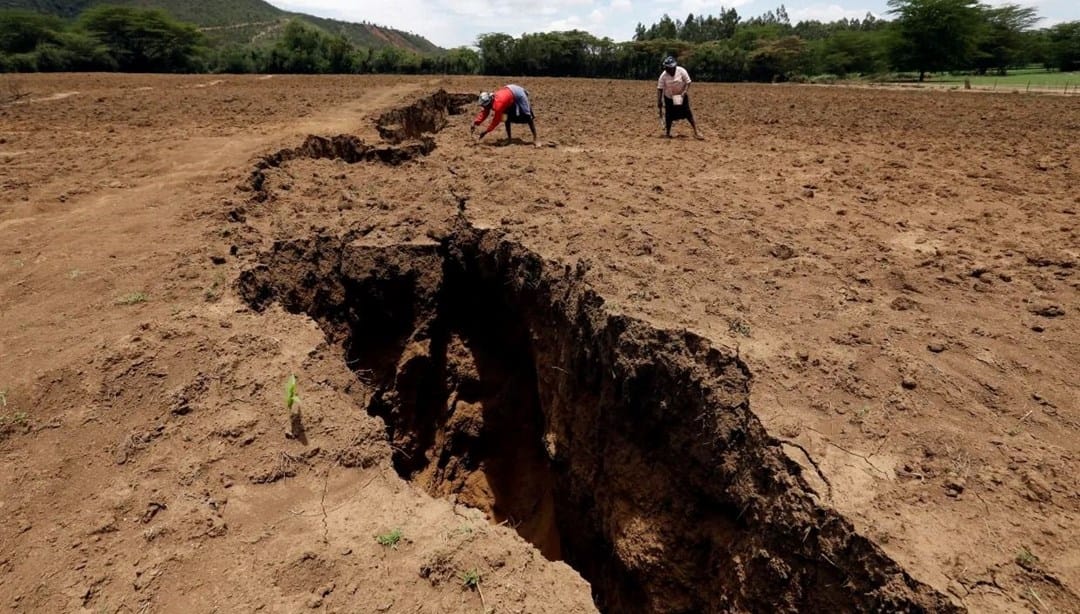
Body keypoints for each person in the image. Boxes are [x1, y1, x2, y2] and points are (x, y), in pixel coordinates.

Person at [471, 84, 540, 147]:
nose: (484, 107)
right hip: (508, 92)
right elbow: (485, 112)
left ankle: (535, 138)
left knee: (527, 116)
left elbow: (495, 121)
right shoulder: (491, 100)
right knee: (506, 117)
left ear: (489, 103)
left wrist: (485, 132)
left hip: (518, 93)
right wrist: (475, 122)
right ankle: (509, 139)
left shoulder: (498, 106)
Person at [657, 56, 703, 140]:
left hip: (681, 96)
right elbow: (660, 88)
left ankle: (696, 131)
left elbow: (688, 82)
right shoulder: (663, 76)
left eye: (669, 68)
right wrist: (659, 101)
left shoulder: (681, 71)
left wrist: (685, 91)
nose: (667, 69)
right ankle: (667, 133)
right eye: (666, 67)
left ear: (673, 67)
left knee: (688, 113)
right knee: (669, 115)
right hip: (669, 98)